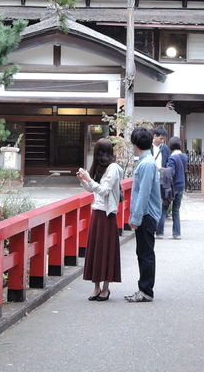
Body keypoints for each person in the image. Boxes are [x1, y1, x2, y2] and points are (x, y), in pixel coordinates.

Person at [76, 138, 123, 301]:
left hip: (107, 215)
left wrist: (89, 180)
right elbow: (93, 190)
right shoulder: (100, 167)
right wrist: (84, 181)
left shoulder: (113, 169)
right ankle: (96, 287)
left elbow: (104, 190)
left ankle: (105, 288)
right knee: (96, 251)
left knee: (106, 251)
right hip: (96, 212)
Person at [126, 125, 162, 302]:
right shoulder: (147, 162)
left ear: (136, 144)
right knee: (143, 252)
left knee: (145, 253)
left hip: (146, 215)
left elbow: (143, 194)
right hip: (147, 214)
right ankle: (144, 288)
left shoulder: (146, 164)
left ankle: (146, 290)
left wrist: (135, 217)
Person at [158, 137, 189, 239]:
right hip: (181, 186)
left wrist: (161, 170)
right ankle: (177, 233)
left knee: (164, 208)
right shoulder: (184, 156)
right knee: (176, 210)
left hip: (172, 187)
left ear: (171, 146)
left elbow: (172, 172)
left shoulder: (172, 158)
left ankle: (159, 233)